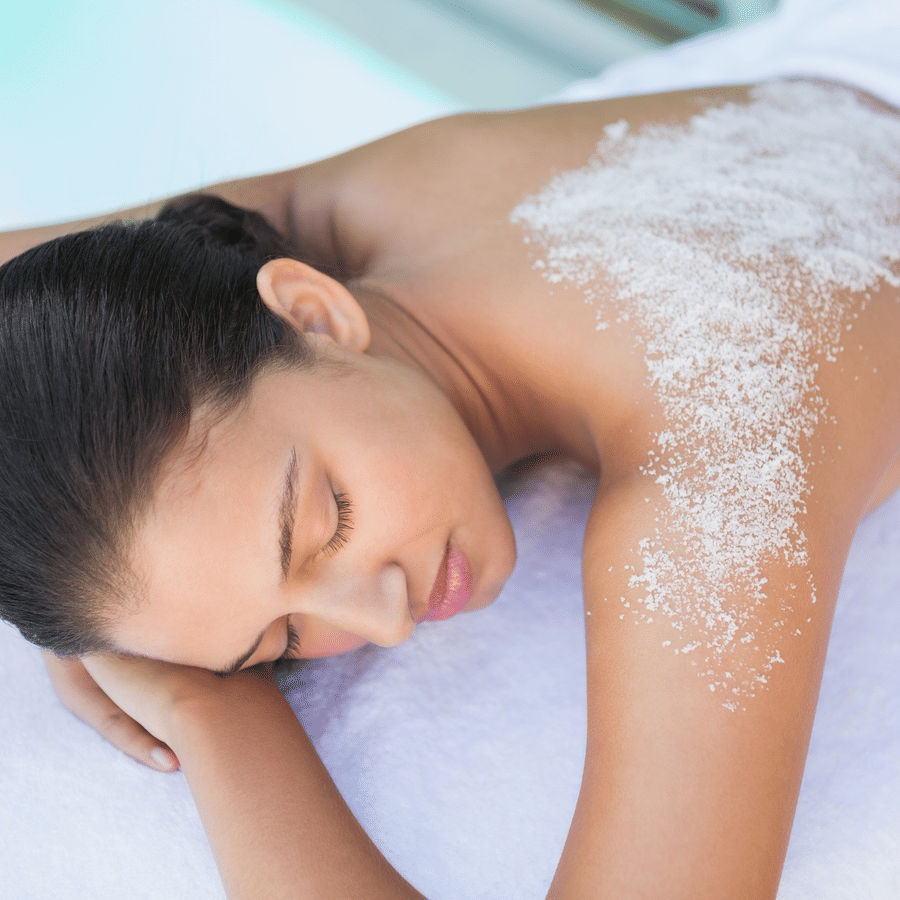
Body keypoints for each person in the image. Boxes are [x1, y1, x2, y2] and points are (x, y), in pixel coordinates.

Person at [1, 72, 899, 899]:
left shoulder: (722, 454)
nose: (384, 616)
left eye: (330, 520)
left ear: (314, 312)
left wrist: (215, 714)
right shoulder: (376, 202)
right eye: (279, 639)